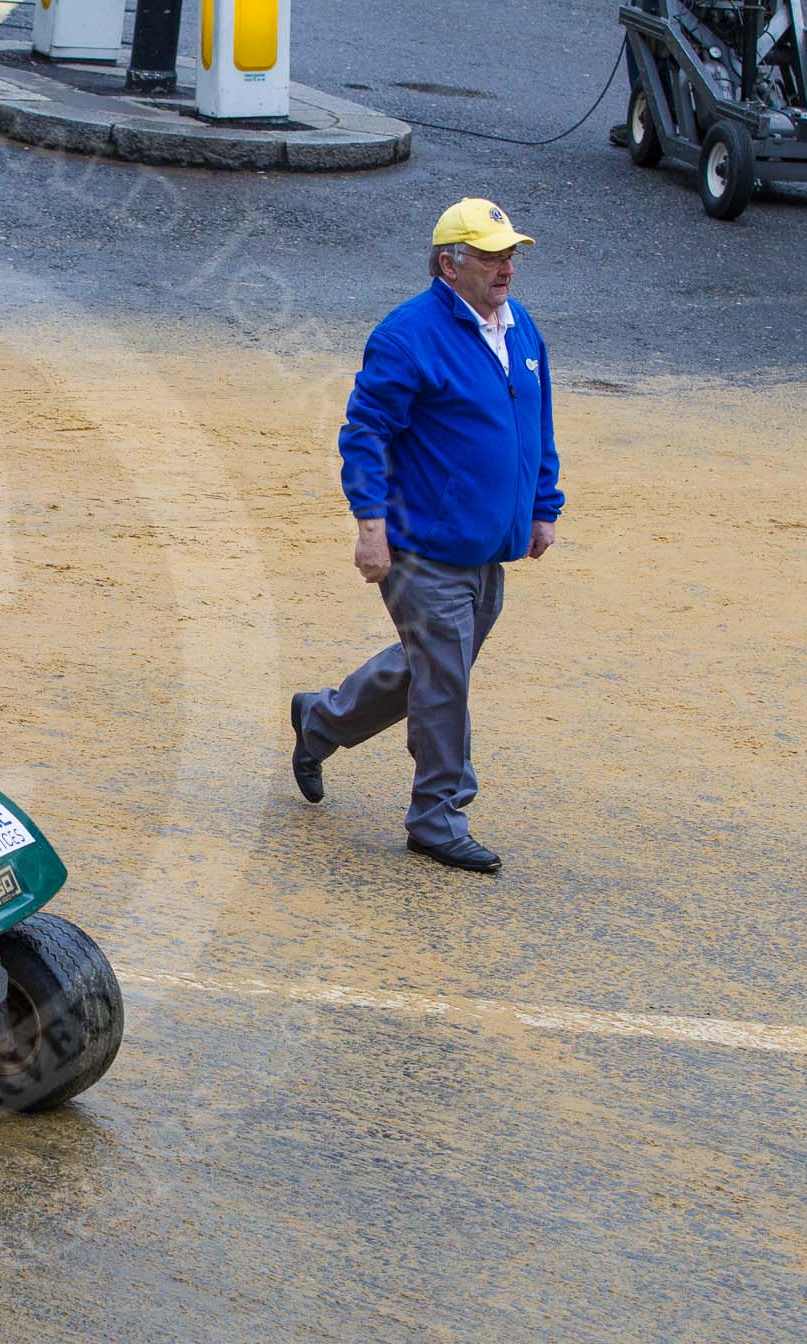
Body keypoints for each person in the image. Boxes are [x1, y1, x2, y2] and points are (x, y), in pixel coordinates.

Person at [289, 198, 565, 874]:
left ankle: (320, 721)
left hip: (485, 546)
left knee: (430, 667)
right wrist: (371, 527)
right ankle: (437, 814)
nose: (506, 266)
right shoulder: (407, 335)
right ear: (451, 263)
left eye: (510, 253)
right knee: (445, 679)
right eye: (491, 254)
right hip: (420, 546)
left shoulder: (519, 327)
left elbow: (538, 420)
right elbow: (364, 435)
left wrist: (542, 504)